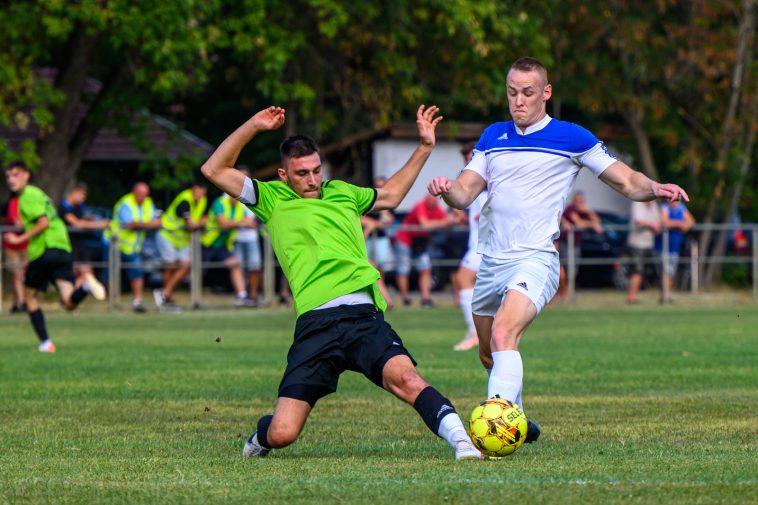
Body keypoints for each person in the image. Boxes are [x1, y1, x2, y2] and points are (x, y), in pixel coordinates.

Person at [427, 57, 689, 442]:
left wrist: (656, 188)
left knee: (503, 334)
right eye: (512, 93)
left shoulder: (572, 137)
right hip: (491, 261)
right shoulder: (492, 137)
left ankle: (497, 427)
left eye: (528, 93)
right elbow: (465, 193)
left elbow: (627, 181)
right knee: (489, 354)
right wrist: (448, 189)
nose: (519, 101)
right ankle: (518, 418)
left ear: (546, 93)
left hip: (536, 258)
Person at [201, 104, 482, 461]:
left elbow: (392, 196)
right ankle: (262, 433)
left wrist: (425, 147)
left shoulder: (343, 192)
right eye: (301, 173)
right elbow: (213, 169)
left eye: (317, 170)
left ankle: (462, 444)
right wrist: (254, 126)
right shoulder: (270, 199)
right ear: (284, 175)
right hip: (315, 326)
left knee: (408, 380)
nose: (312, 179)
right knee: (283, 433)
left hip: (363, 317)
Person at [3, 161, 105, 352]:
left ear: (27, 175)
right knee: (68, 302)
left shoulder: (27, 196)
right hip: (62, 247)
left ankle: (46, 343)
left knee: (29, 296)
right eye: (8, 176)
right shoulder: (40, 194)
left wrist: (19, 240)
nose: (11, 180)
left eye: (15, 175)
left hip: (45, 249)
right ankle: (85, 286)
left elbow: (42, 223)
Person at [393, 194, 460, 308]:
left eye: (436, 201)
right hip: (404, 240)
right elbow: (425, 224)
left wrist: (451, 219)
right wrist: (445, 222)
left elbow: (449, 220)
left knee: (425, 268)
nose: (434, 202)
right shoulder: (420, 206)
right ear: (426, 199)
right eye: (432, 200)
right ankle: (405, 298)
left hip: (420, 242)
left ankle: (425, 299)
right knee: (403, 269)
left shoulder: (437, 208)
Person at [104, 182, 162, 312]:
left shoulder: (148, 202)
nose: (143, 197)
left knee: (137, 272)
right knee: (111, 272)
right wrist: (148, 224)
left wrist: (148, 223)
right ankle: (112, 301)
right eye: (141, 194)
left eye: (145, 194)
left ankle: (137, 301)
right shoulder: (125, 203)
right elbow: (130, 223)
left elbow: (156, 221)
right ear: (134, 192)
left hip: (133, 247)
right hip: (115, 243)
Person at [453, 142, 487, 351]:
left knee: (463, 279)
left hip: (483, 245)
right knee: (475, 285)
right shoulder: (476, 187)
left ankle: (476, 332)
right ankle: (482, 332)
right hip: (478, 243)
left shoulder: (487, 185)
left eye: (471, 158)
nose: (468, 163)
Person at [154, 181, 208, 308]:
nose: (200, 195)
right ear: (194, 189)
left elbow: (204, 219)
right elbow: (191, 224)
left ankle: (164, 293)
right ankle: (166, 297)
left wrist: (199, 223)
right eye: (199, 191)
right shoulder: (185, 200)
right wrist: (199, 223)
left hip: (182, 240)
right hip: (167, 234)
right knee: (171, 265)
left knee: (186, 265)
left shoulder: (203, 200)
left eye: (203, 192)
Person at [201, 192, 251, 306]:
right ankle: (191, 296)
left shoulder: (240, 207)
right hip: (207, 243)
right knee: (195, 269)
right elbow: (223, 223)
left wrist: (243, 222)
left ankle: (242, 296)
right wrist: (242, 223)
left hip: (223, 245)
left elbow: (250, 222)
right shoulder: (219, 202)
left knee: (235, 264)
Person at [58, 182, 109, 294]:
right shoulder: (64, 207)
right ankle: (71, 297)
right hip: (67, 245)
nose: (83, 198)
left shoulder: (79, 207)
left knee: (86, 271)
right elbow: (77, 224)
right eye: (82, 195)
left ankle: (76, 297)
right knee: (75, 272)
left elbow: (83, 221)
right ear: (74, 192)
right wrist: (100, 224)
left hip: (79, 245)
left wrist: (90, 221)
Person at [360, 176, 395, 309]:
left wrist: (372, 225)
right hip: (367, 242)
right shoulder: (366, 202)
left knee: (377, 271)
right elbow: (365, 221)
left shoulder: (386, 203)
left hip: (378, 240)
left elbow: (387, 220)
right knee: (374, 271)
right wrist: (372, 225)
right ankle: (385, 301)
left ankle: (384, 300)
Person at [233, 168, 263, 306]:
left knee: (255, 266)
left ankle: (252, 296)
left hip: (251, 237)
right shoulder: (230, 191)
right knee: (237, 267)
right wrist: (243, 222)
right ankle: (241, 296)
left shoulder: (256, 191)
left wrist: (254, 222)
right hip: (235, 237)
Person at [656, 200, 695, 303]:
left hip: (675, 246)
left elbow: (691, 222)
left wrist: (683, 226)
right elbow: (665, 222)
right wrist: (680, 224)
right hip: (663, 246)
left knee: (671, 272)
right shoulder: (664, 208)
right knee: (665, 272)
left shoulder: (681, 207)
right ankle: (665, 295)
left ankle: (666, 295)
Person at [625, 201, 661, 304]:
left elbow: (658, 221)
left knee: (644, 272)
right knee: (637, 271)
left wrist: (656, 226)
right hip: (636, 244)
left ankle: (635, 296)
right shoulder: (637, 203)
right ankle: (631, 298)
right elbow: (638, 221)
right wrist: (651, 225)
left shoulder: (654, 205)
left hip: (649, 244)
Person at [2, 193, 28, 313]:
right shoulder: (15, 202)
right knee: (18, 274)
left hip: (25, 244)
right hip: (12, 245)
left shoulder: (29, 202)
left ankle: (16, 303)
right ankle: (22, 303)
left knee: (21, 274)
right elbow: (18, 223)